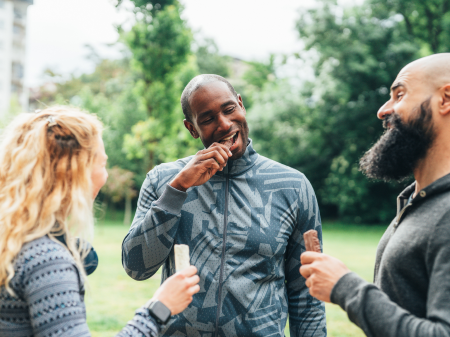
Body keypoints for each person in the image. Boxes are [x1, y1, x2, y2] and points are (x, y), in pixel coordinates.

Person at [122, 74, 326, 337]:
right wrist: (177, 189)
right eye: (207, 119)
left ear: (241, 104)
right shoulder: (163, 180)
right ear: (192, 128)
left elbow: (307, 292)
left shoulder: (293, 186)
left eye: (229, 109)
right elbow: (137, 267)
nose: (224, 124)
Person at [0, 107, 200, 337]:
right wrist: (160, 308)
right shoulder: (47, 259)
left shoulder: (13, 241)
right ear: (75, 173)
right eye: (102, 164)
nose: (105, 177)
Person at [300, 53, 450, 337]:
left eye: (399, 94)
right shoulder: (417, 201)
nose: (383, 110)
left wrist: (345, 286)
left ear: (445, 99)